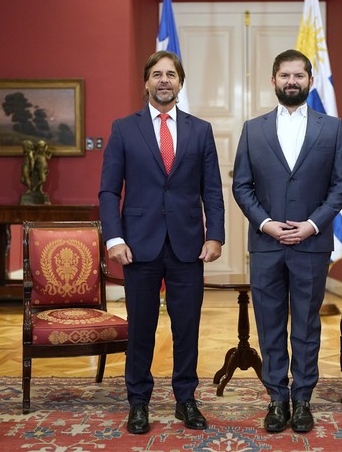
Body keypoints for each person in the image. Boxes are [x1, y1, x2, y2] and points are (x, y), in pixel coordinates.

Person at [99, 50, 225, 435]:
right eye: (157, 74)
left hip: (188, 245)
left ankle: (185, 400)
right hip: (138, 246)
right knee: (141, 327)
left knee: (187, 327)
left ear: (181, 82)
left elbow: (212, 190)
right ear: (146, 83)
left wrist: (215, 234)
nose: (164, 80)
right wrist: (114, 238)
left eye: (171, 74)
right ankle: (138, 402)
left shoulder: (200, 130)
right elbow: (108, 191)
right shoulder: (124, 128)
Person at [232, 49, 342, 433]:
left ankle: (302, 399)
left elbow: (341, 185)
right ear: (273, 81)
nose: (291, 82)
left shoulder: (331, 128)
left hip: (311, 244)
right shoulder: (253, 129)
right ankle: (276, 400)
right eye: (284, 75)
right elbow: (241, 186)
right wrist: (265, 223)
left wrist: (313, 225)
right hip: (266, 244)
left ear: (310, 81)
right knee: (269, 326)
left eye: (298, 76)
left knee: (305, 325)